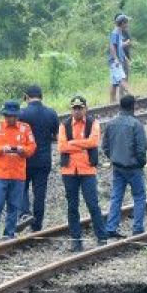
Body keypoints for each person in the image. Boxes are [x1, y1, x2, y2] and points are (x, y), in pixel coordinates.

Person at [0, 100, 36, 243]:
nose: (10, 118)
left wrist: (21, 150)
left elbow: (31, 148)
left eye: (12, 116)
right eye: (7, 116)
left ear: (17, 116)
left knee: (14, 206)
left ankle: (9, 234)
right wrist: (2, 149)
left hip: (18, 174)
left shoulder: (25, 128)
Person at [58, 95, 107, 251]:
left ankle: (102, 237)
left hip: (87, 169)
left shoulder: (93, 123)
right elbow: (61, 146)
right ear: (71, 109)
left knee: (92, 204)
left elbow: (93, 142)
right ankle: (76, 241)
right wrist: (82, 146)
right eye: (75, 108)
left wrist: (72, 143)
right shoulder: (64, 125)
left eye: (80, 108)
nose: (77, 111)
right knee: (72, 206)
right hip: (69, 170)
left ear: (86, 108)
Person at [102, 94, 147, 237]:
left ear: (120, 106)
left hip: (117, 167)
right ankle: (137, 228)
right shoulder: (136, 124)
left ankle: (111, 227)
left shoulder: (111, 123)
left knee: (116, 197)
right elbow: (141, 148)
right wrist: (140, 162)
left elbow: (105, 146)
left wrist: (114, 157)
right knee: (139, 196)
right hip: (134, 168)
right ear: (133, 106)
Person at [17, 85, 59, 232]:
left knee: (21, 188)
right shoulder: (51, 113)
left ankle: (24, 214)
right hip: (43, 160)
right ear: (41, 96)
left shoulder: (22, 114)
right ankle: (37, 226)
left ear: (26, 97)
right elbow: (57, 136)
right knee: (40, 193)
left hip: (25, 159)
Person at [108, 14, 131, 102]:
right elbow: (112, 47)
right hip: (115, 62)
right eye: (126, 23)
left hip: (119, 60)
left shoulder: (119, 32)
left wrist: (125, 58)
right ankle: (131, 94)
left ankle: (112, 103)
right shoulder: (115, 33)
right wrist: (116, 59)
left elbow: (119, 47)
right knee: (122, 78)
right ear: (122, 23)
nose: (127, 24)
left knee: (114, 84)